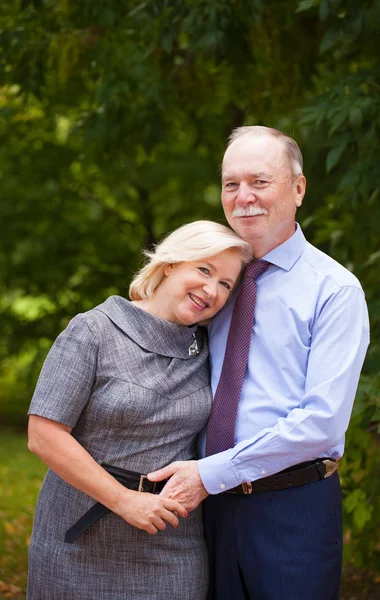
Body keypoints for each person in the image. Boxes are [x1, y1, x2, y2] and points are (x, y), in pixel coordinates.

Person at [148, 126, 370, 600]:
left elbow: (323, 424)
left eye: (260, 181)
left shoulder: (334, 290)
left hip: (291, 509)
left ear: (299, 187)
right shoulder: (209, 282)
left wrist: (209, 474)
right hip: (206, 510)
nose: (243, 196)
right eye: (231, 184)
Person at [27, 219, 252, 600]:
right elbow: (43, 435)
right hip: (79, 539)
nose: (211, 290)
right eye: (204, 269)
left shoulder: (208, 349)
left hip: (172, 545)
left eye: (226, 284)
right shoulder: (94, 331)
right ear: (170, 264)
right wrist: (123, 500)